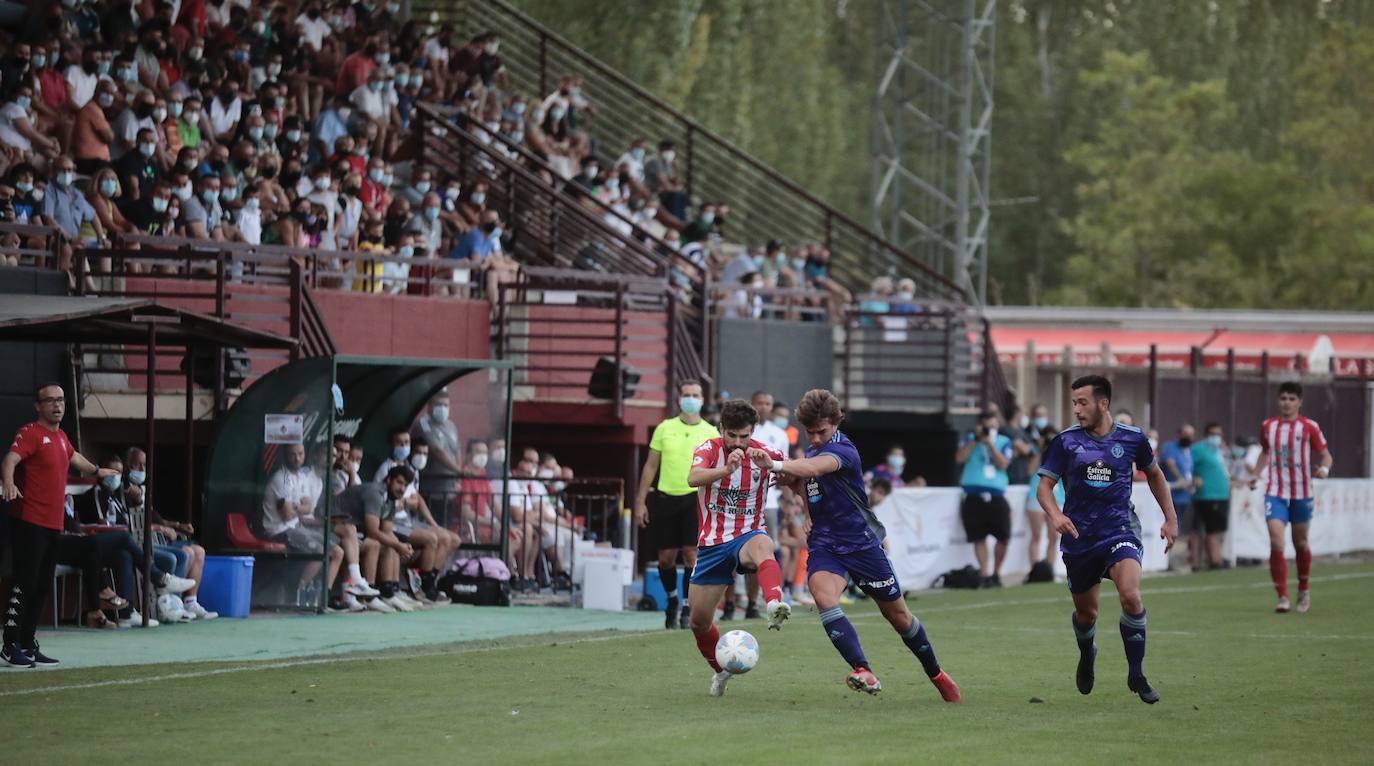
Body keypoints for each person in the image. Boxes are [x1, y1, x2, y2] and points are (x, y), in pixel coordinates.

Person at [767, 389, 960, 701]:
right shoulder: (815, 454)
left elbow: (813, 469)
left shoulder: (844, 451)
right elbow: (811, 485)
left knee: (899, 617)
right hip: (826, 545)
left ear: (835, 424)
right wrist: (801, 500)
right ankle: (862, 669)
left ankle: (936, 673)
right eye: (810, 432)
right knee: (824, 597)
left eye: (821, 431)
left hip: (862, 545)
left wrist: (781, 466)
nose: (815, 438)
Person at [1035, 375, 1179, 705]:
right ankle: (1087, 653)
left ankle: (1137, 673)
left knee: (1131, 595)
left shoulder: (1133, 439)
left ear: (1104, 403)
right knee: (1087, 616)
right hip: (1079, 537)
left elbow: (1155, 475)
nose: (1077, 410)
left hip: (1119, 529)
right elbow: (1043, 488)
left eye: (1082, 402)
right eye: (1074, 403)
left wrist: (1170, 518)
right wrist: (1056, 515)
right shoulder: (1066, 442)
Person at [2, 383, 120, 667]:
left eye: (61, 400)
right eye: (50, 400)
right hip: (29, 521)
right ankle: (10, 643)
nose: (57, 405)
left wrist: (96, 470)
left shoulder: (62, 437)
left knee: (42, 585)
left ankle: (29, 643)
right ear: (38, 406)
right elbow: (11, 459)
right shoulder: (30, 433)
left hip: (53, 524)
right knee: (25, 582)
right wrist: (7, 481)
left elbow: (73, 456)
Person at [685, 400, 791, 696]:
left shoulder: (765, 453)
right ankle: (720, 672)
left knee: (764, 547)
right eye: (732, 435)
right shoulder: (708, 449)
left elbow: (794, 474)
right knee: (699, 621)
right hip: (712, 542)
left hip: (748, 532)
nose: (738, 442)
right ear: (722, 429)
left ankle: (773, 603)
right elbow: (693, 478)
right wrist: (724, 469)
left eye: (744, 436)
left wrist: (778, 471)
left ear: (752, 432)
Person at [634, 380, 719, 630]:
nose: (690, 399)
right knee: (666, 558)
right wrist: (640, 502)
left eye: (695, 395)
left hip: (695, 498)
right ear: (679, 398)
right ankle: (671, 600)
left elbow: (717, 470)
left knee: (692, 554)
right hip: (665, 497)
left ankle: (685, 605)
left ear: (702, 400)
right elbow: (651, 465)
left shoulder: (711, 432)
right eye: (686, 395)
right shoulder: (664, 428)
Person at [1250, 382, 1332, 614]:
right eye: (1283, 398)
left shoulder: (1309, 427)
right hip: (1275, 491)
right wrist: (1256, 474)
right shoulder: (1268, 426)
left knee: (1300, 542)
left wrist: (1323, 470)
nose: (1287, 402)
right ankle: (1282, 596)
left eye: (1291, 398)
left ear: (1299, 402)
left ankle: (1303, 588)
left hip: (1302, 491)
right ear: (1278, 400)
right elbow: (1265, 452)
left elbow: (1326, 456)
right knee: (1277, 541)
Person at [955, 410, 1013, 587]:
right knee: (978, 537)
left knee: (1003, 537)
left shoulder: (1003, 441)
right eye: (985, 423)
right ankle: (985, 574)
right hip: (973, 495)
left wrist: (990, 445)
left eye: (991, 422)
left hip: (996, 495)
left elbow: (1003, 464)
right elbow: (959, 458)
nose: (989, 426)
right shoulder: (971, 439)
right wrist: (975, 439)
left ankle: (996, 573)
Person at [1189, 423, 1232, 571]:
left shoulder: (1220, 451)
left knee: (1219, 529)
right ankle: (1214, 561)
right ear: (1206, 435)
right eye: (1213, 434)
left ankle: (1215, 558)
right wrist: (1193, 478)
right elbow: (1187, 466)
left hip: (1222, 494)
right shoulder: (1198, 449)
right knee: (1210, 530)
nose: (1216, 437)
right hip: (1207, 495)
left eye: (1219, 434)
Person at [1025, 427, 1064, 574]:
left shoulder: (1062, 454)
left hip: (1056, 497)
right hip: (1036, 496)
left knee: (1053, 537)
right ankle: (1035, 572)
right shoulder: (1036, 452)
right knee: (1036, 535)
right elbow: (1028, 470)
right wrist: (1041, 450)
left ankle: (1049, 571)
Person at [1158, 424, 1196, 568]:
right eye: (1186, 434)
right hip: (1171, 495)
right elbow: (1169, 464)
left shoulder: (1188, 451)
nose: (1189, 438)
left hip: (1184, 496)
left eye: (1191, 434)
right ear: (1179, 434)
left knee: (1180, 530)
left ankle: (1173, 560)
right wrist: (1179, 478)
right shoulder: (1170, 447)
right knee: (1169, 526)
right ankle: (1166, 560)